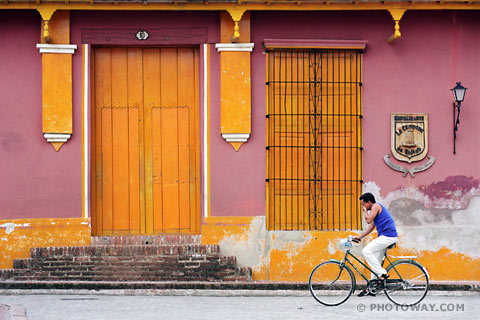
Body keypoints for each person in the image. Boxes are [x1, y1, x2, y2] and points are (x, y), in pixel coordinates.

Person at [353, 192, 398, 297]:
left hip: (388, 236)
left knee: (366, 251)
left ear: (369, 202)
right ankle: (371, 288)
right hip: (386, 237)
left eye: (363, 204)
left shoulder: (376, 206)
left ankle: (382, 273)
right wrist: (359, 237)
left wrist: (365, 212)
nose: (363, 207)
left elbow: (368, 221)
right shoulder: (375, 210)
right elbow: (371, 227)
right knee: (375, 264)